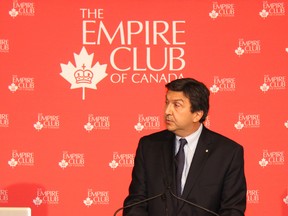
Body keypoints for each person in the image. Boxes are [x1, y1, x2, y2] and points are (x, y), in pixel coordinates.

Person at [123, 78, 246, 216]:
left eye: (177, 105)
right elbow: (135, 203)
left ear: (197, 115)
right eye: (167, 103)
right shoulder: (149, 146)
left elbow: (232, 210)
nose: (167, 111)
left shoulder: (227, 153)